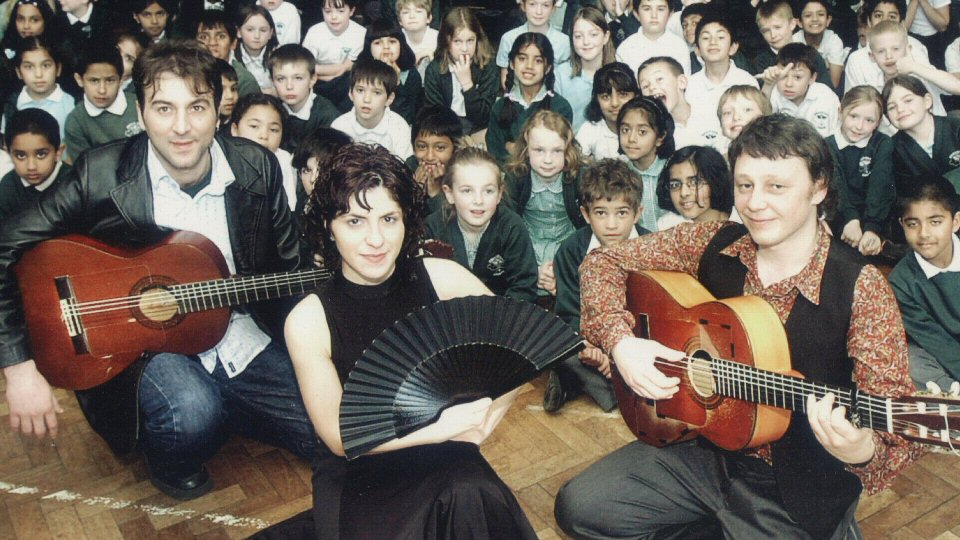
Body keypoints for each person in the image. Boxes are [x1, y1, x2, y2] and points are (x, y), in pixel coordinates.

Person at [554, 114, 922, 540]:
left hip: (795, 485)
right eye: (745, 185)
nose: (755, 202)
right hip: (703, 446)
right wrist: (622, 344)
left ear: (819, 188)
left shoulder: (861, 287)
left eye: (776, 186)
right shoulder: (715, 240)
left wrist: (860, 450)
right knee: (580, 507)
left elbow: (897, 432)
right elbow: (604, 261)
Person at [0, 39, 318, 501]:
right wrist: (19, 367)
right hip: (134, 345)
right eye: (164, 108)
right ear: (141, 111)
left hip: (237, 331)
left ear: (220, 111)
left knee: (321, 426)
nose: (182, 128)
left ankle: (229, 407)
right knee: (191, 414)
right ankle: (176, 453)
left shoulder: (257, 168)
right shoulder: (101, 173)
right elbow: (5, 245)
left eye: (197, 107)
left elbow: (292, 270)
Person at [272, 142, 538, 539]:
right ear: (329, 226)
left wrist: (483, 423)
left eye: (389, 219)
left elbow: (524, 342)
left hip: (445, 456)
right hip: (360, 476)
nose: (376, 239)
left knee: (472, 494)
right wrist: (441, 426)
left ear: (407, 220)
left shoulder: (441, 277)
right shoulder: (308, 319)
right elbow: (340, 437)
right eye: (355, 221)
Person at [546, 158, 649, 413]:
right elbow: (569, 311)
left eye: (622, 213)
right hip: (589, 342)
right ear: (586, 214)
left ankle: (587, 382)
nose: (611, 224)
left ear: (638, 212)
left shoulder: (652, 247)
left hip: (634, 341)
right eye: (601, 213)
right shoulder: (572, 250)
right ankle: (607, 383)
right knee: (555, 345)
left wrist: (617, 353)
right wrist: (590, 348)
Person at [426, 147, 537, 301]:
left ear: (499, 194)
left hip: (503, 316)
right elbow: (427, 288)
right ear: (449, 193)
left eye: (488, 191)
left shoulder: (512, 227)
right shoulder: (433, 228)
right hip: (449, 315)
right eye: (467, 191)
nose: (478, 200)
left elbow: (524, 287)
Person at [889, 179, 960, 391]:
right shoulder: (901, 281)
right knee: (910, 362)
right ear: (902, 224)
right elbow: (936, 342)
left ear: (955, 222)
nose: (924, 234)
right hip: (941, 356)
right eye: (913, 224)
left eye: (935, 222)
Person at [505, 109, 585, 298]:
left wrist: (562, 267)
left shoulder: (579, 176)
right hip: (528, 244)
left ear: (567, 149)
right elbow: (508, 225)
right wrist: (533, 267)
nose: (547, 160)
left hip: (568, 242)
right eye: (539, 150)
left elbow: (587, 227)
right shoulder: (516, 177)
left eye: (557, 151)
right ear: (526, 149)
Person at [826, 85, 895, 256]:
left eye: (869, 120)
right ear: (840, 112)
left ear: (878, 122)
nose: (859, 126)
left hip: (876, 216)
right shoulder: (826, 145)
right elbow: (836, 186)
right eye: (854, 116)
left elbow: (880, 186)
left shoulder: (882, 143)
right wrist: (850, 220)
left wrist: (872, 228)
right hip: (841, 214)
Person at [486, 32, 572, 163]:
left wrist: (512, 147)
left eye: (538, 60)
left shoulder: (560, 107)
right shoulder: (500, 107)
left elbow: (557, 154)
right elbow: (495, 154)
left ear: (548, 67)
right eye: (522, 59)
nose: (529, 66)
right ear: (512, 64)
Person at [422, 6, 498, 137]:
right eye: (457, 41)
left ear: (477, 40)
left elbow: (484, 116)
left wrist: (467, 84)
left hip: (479, 127)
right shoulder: (434, 70)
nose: (465, 48)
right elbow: (435, 115)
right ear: (446, 41)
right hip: (447, 130)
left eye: (470, 41)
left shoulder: (487, 66)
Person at [63, 41, 142, 164]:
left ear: (121, 80)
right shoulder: (75, 122)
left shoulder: (139, 105)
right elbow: (86, 170)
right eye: (94, 81)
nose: (102, 90)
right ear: (79, 80)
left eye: (110, 80)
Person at [885, 74, 960, 194]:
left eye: (908, 100)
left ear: (927, 101)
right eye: (891, 107)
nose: (900, 109)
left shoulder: (956, 127)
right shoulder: (891, 149)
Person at [330, 58, 414, 160]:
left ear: (389, 98)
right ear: (351, 93)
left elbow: (404, 170)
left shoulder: (399, 127)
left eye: (377, 93)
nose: (367, 99)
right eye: (360, 90)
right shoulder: (339, 127)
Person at [229, 93, 297, 211]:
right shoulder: (225, 158)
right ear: (235, 129)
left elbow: (289, 208)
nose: (264, 135)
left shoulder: (284, 160)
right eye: (254, 126)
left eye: (273, 130)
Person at [0, 108, 69, 224]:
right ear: (9, 154)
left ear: (58, 152)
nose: (31, 166)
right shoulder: (8, 186)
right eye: (20, 155)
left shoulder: (74, 183)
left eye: (41, 154)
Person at [617, 95, 675, 232]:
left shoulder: (673, 170)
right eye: (625, 130)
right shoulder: (618, 173)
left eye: (642, 132)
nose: (631, 139)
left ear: (660, 138)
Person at [267, 43, 338, 153]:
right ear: (272, 81)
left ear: (312, 79)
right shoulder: (270, 111)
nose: (289, 86)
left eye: (298, 78)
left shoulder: (327, 116)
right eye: (281, 79)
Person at [554, 6, 614, 132]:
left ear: (605, 36)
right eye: (578, 36)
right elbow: (554, 121)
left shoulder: (619, 73)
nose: (586, 42)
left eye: (593, 34)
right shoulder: (560, 74)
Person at [4, 36, 73, 141]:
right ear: (19, 72)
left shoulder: (72, 103)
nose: (38, 74)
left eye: (45, 65)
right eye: (29, 67)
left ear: (58, 69)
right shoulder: (12, 105)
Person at [301, 0, 366, 112]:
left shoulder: (360, 33)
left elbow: (344, 68)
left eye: (340, 11)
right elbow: (304, 67)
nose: (333, 17)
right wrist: (315, 74)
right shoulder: (314, 32)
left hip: (344, 82)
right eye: (327, 11)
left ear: (351, 11)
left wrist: (317, 71)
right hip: (316, 82)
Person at [764, 42, 840, 137]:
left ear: (812, 78)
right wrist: (768, 85)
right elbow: (761, 122)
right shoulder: (773, 93)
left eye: (798, 77)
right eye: (783, 76)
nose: (789, 84)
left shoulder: (826, 97)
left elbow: (834, 135)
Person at [357, 20, 423, 124]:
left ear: (401, 45)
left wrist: (396, 83)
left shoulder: (411, 75)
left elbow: (407, 117)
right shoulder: (359, 73)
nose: (386, 47)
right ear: (369, 48)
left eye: (392, 41)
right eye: (378, 43)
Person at [496, 0, 572, 89]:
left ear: (553, 8)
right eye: (532, 4)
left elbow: (565, 80)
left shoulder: (563, 42)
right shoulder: (509, 38)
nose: (538, 12)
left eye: (545, 5)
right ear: (523, 6)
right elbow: (505, 78)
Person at [654, 145, 733, 229]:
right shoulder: (667, 225)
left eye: (694, 182)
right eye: (675, 185)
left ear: (716, 181)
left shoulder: (742, 218)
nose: (684, 193)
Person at [575, 61, 637, 161]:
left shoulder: (646, 128)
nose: (614, 103)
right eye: (605, 96)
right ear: (596, 100)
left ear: (636, 96)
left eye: (623, 94)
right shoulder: (591, 129)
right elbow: (574, 162)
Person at [614, 0, 690, 77]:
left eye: (660, 9)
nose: (654, 15)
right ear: (636, 14)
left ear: (670, 14)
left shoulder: (680, 47)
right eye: (647, 9)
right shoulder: (624, 49)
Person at [408, 104, 461, 213]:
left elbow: (449, 225)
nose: (430, 157)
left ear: (455, 149)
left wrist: (436, 194)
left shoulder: (460, 173)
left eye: (440, 148)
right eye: (422, 147)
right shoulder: (409, 167)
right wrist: (415, 192)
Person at [792, 0, 846, 88]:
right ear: (799, 22)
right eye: (808, 15)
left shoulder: (834, 41)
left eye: (820, 14)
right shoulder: (794, 41)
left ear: (828, 20)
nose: (815, 19)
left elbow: (833, 84)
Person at [235, 4, 279, 94]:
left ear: (271, 33)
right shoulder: (231, 56)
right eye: (250, 30)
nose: (257, 36)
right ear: (239, 32)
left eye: (263, 30)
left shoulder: (280, 56)